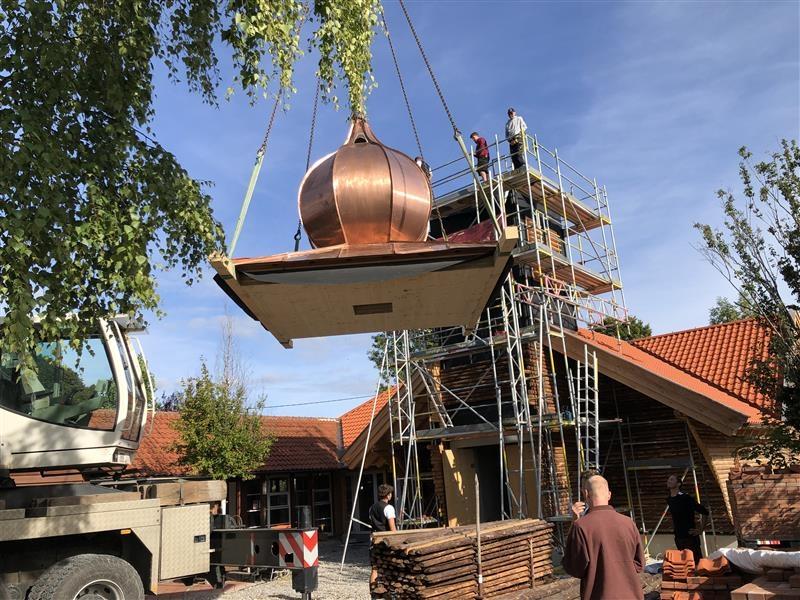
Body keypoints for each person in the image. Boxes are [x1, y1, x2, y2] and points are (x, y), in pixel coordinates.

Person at [563, 475, 644, 600]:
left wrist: (573, 523)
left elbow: (574, 568)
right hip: (631, 595)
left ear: (585, 494)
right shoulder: (628, 523)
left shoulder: (581, 526)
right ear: (609, 495)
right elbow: (639, 564)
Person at [666, 474, 708, 563]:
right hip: (678, 537)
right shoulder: (669, 499)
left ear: (678, 484)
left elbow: (704, 512)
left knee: (696, 563)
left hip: (690, 537)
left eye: (672, 479)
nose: (669, 481)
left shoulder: (685, 498)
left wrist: (701, 529)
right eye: (669, 479)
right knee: (685, 564)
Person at [369, 484, 397, 585]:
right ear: (388, 495)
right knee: (390, 567)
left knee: (375, 569)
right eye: (391, 494)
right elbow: (392, 528)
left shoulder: (371, 508)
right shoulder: (389, 508)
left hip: (373, 540)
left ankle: (373, 594)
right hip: (385, 541)